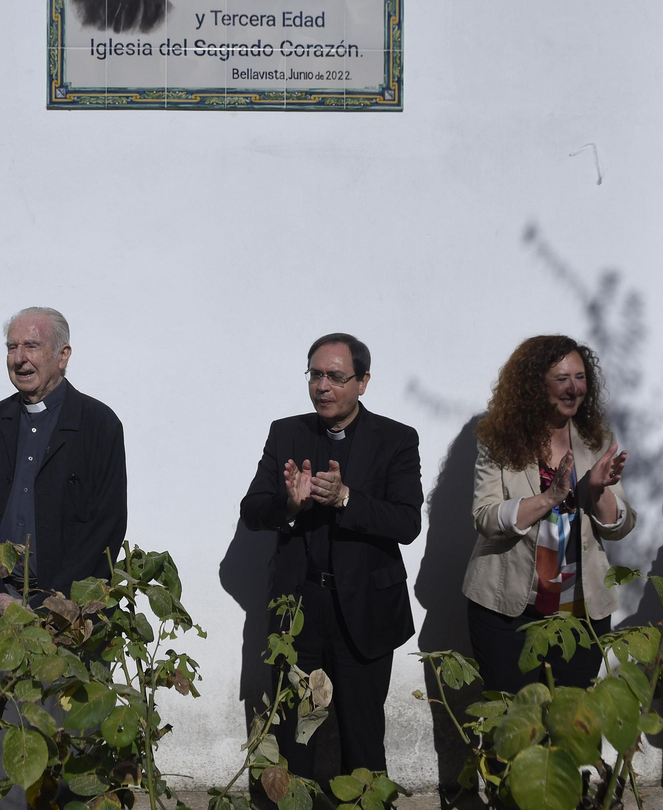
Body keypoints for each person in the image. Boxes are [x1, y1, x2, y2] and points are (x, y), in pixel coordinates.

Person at [0, 307, 127, 810]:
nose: (19, 358)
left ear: (63, 356)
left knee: (74, 745)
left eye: (31, 347)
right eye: (12, 347)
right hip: (5, 613)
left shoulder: (97, 423)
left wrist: (58, 600)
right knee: (13, 746)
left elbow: (107, 524)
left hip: (71, 613)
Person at [240, 333, 422, 779]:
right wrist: (290, 506)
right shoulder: (287, 432)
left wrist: (345, 499)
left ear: (362, 382)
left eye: (336, 376)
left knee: (362, 737)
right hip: (300, 610)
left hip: (365, 609)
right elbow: (251, 511)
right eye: (316, 374)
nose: (323, 386)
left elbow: (407, 523)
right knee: (298, 735)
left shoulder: (396, 439)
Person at [462, 335, 634, 693]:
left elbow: (620, 526)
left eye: (581, 377)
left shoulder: (597, 440)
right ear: (534, 386)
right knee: (512, 728)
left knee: (570, 728)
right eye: (562, 379)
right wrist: (549, 497)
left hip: (581, 613)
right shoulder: (500, 440)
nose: (574, 389)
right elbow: (486, 517)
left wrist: (598, 490)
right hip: (507, 611)